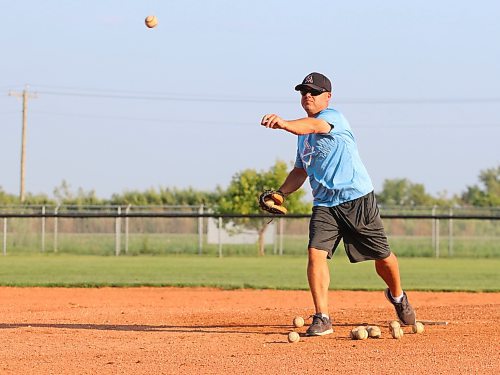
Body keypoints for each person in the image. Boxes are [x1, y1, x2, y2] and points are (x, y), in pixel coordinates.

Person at [260, 72, 416, 336]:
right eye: (303, 91)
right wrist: (282, 193)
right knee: (315, 253)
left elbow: (314, 127)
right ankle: (322, 317)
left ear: (328, 97)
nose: (307, 95)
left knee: (383, 258)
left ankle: (398, 296)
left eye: (314, 91)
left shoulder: (333, 118)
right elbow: (300, 170)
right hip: (325, 205)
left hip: (356, 199)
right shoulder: (302, 135)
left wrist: (284, 124)